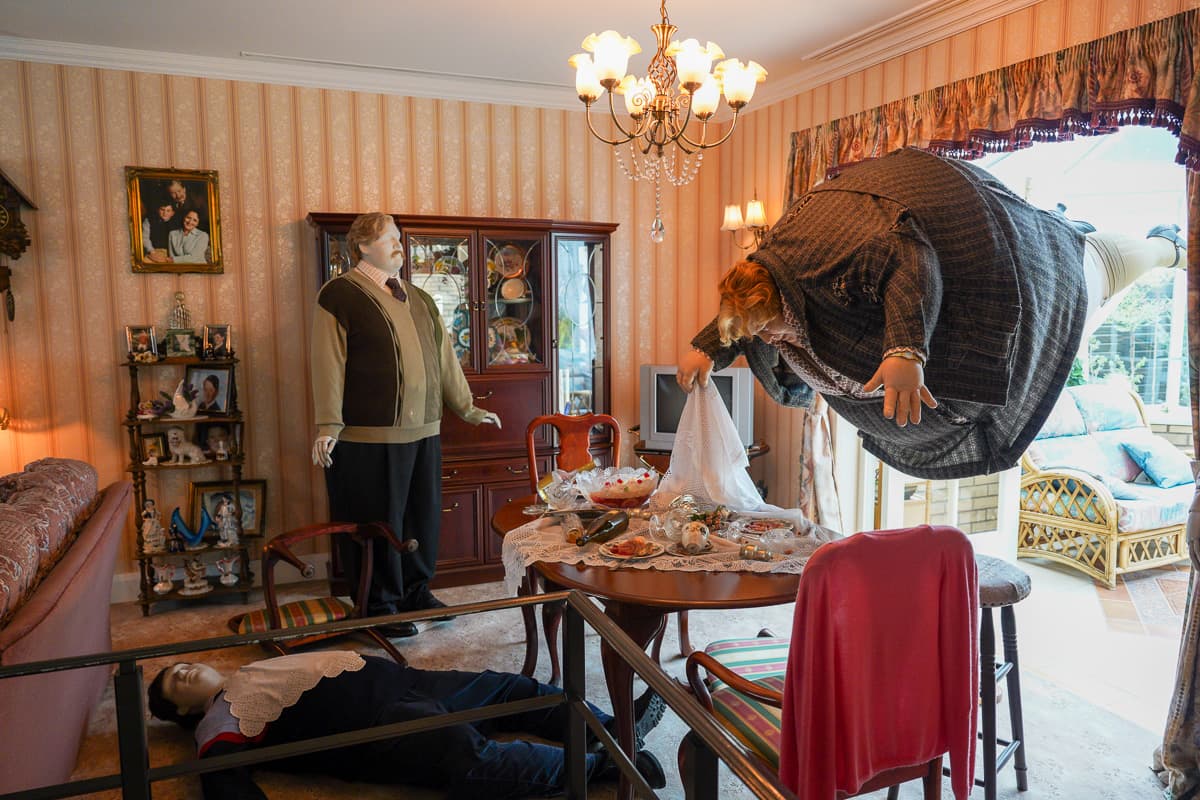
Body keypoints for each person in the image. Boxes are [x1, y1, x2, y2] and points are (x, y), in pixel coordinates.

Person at [677, 147, 1185, 480]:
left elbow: (909, 257)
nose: (767, 340)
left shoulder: (841, 259)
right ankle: (1077, 226)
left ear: (782, 301)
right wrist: (707, 349)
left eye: (769, 329)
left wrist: (904, 350)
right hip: (1031, 262)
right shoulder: (773, 276)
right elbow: (744, 316)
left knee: (1103, 266)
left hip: (1042, 291)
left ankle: (1168, 247)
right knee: (1088, 250)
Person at [311, 212, 501, 638]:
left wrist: (468, 408)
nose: (399, 245)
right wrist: (328, 425)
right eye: (388, 238)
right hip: (368, 440)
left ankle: (416, 592)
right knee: (378, 525)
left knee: (421, 520)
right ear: (362, 247)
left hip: (425, 432)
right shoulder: (338, 295)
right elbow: (327, 363)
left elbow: (445, 359)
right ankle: (378, 607)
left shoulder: (419, 297)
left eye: (398, 237)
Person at [147, 651, 667, 799]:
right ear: (184, 712)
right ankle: (605, 767)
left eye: (181, 665)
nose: (184, 670)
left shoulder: (252, 666)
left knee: (508, 687)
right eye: (176, 682)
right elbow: (223, 779)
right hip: (378, 724)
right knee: (472, 756)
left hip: (410, 681)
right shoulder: (216, 720)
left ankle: (611, 727)